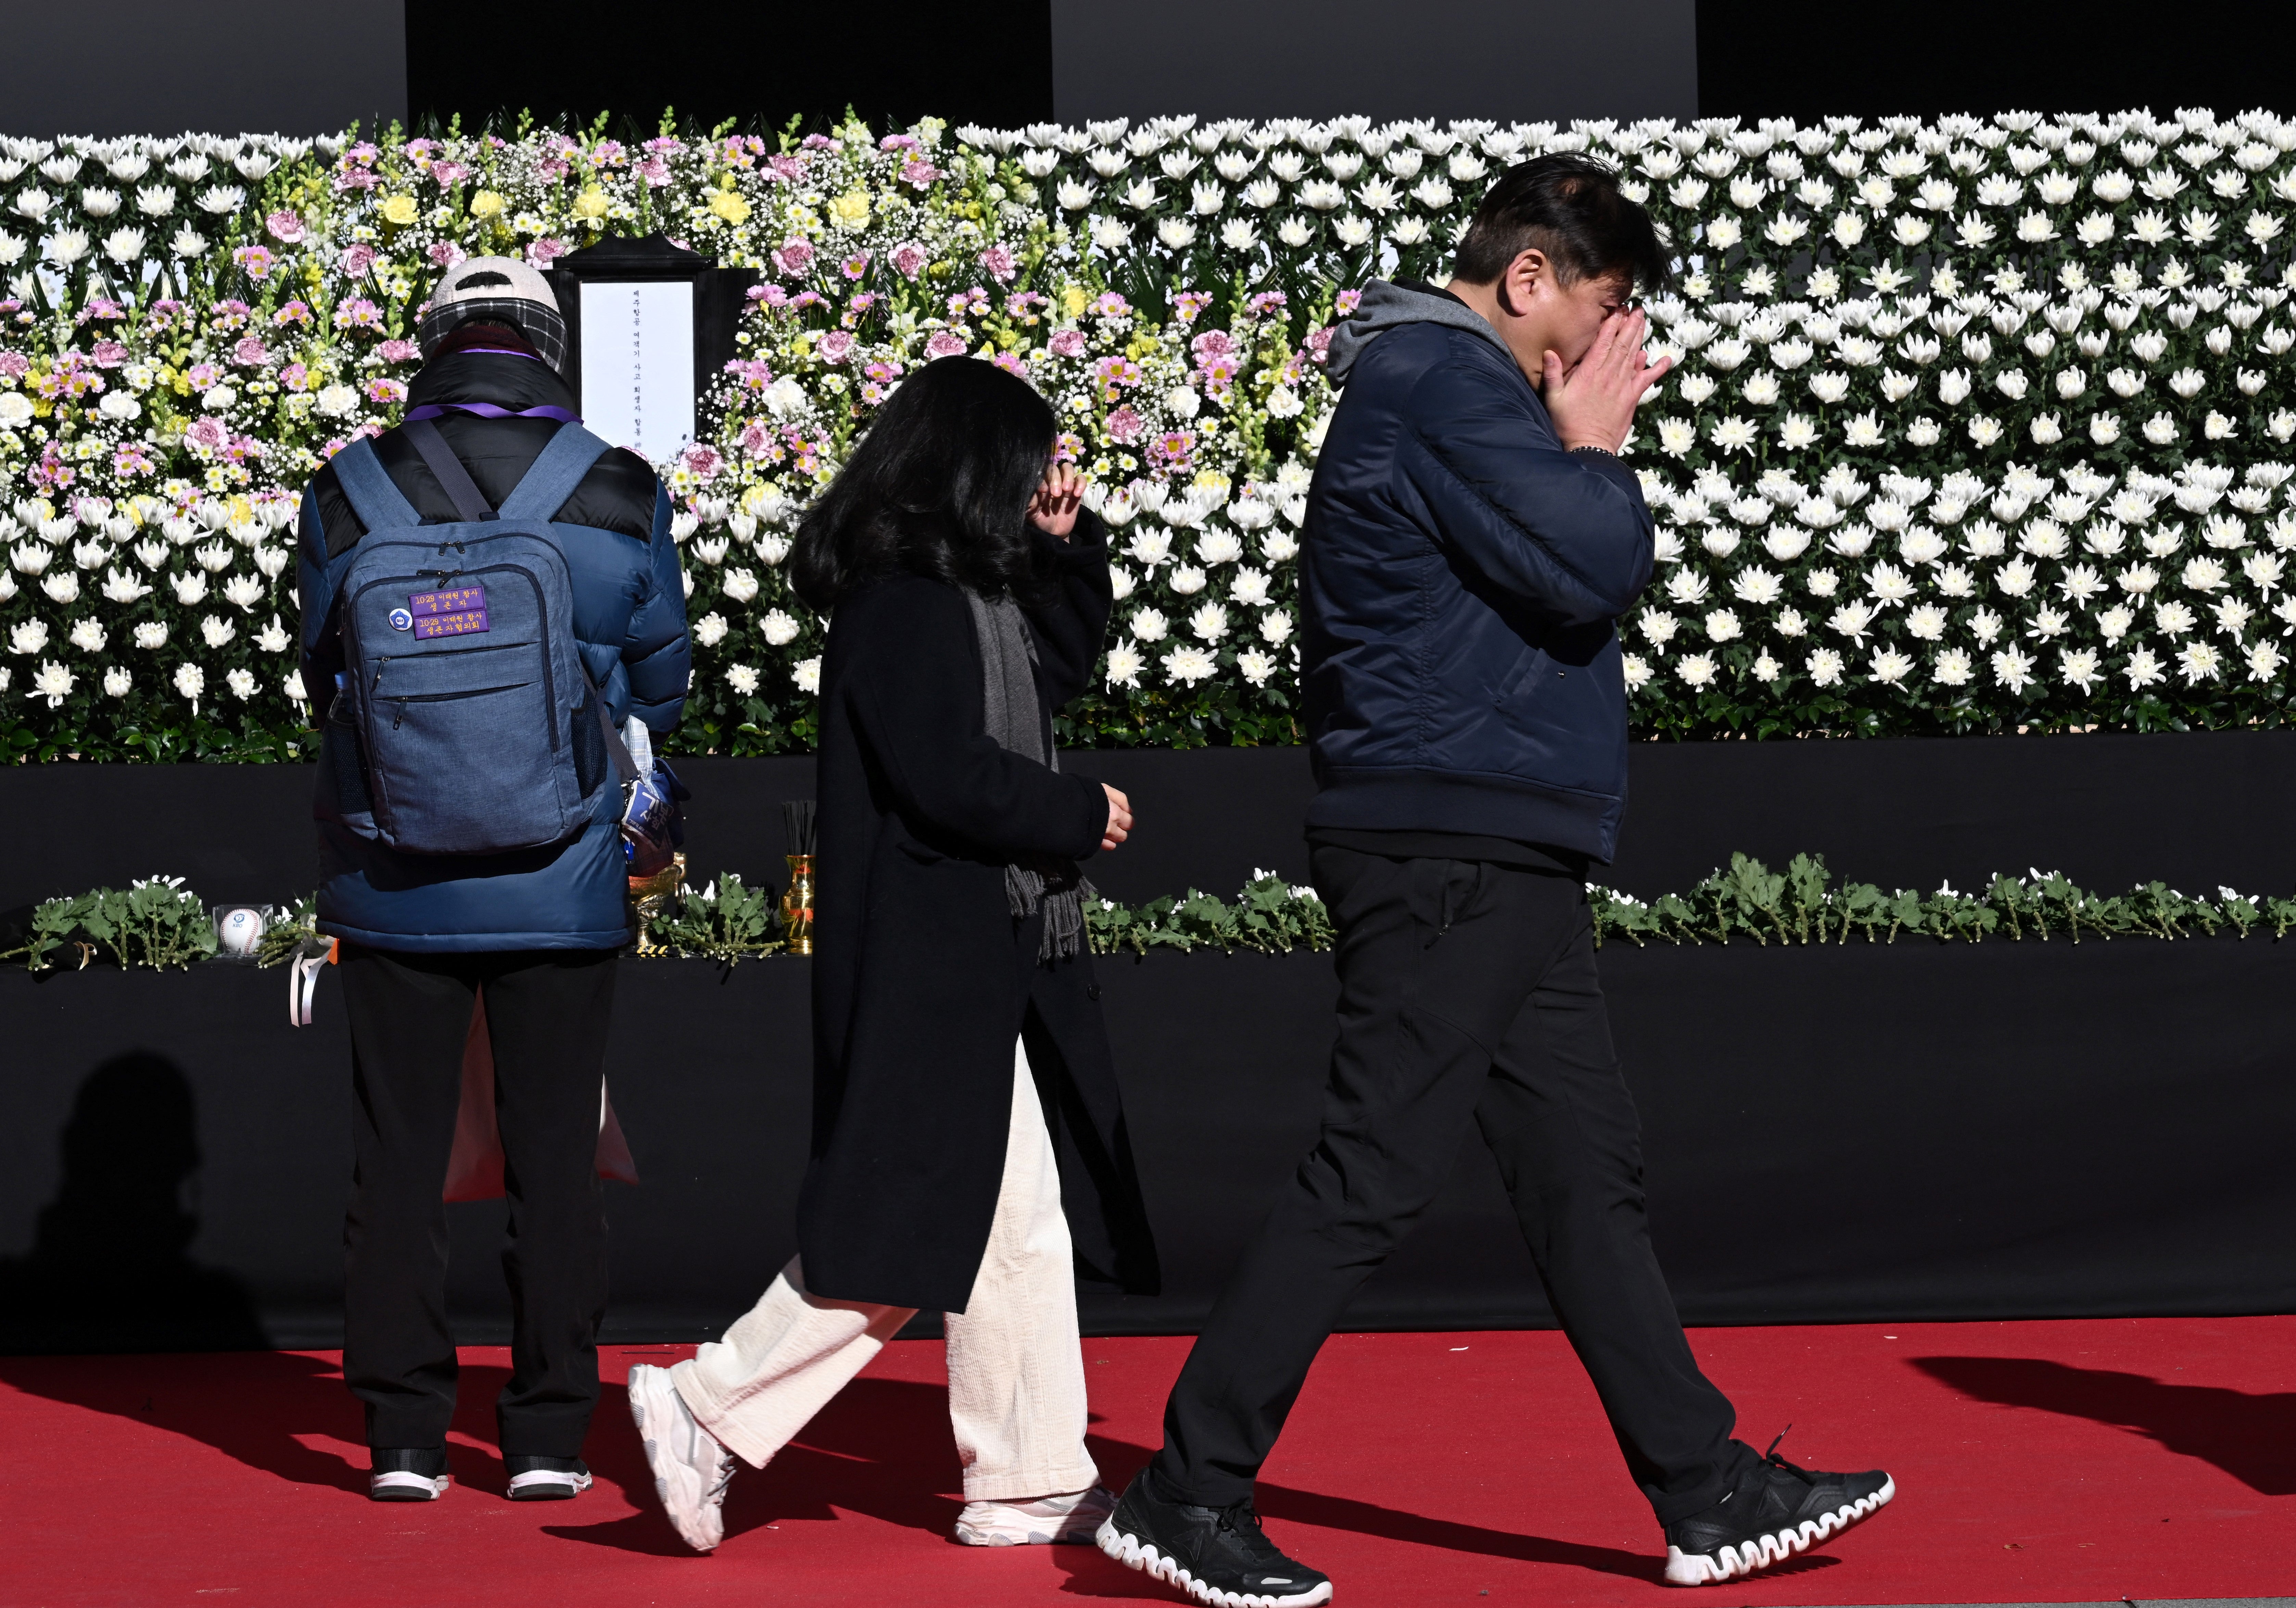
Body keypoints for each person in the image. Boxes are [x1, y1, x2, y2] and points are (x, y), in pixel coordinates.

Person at [1098, 156, 1895, 1604]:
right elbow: (1595, 561)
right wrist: (1589, 446)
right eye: (1600, 308)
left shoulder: (1450, 386)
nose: (1606, 348)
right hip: (1448, 838)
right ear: (1527, 277)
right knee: (1375, 1168)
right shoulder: (1443, 382)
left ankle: (1703, 1483)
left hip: (1492, 836)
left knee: (1585, 1172)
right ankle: (1185, 1488)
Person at [625, 355, 1158, 1553]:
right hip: (932, 956)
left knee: (1010, 1217)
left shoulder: (960, 589)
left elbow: (1046, 676)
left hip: (971, 951)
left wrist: (1068, 551)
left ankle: (1028, 1474)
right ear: (974, 465)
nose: (1041, 485)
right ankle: (709, 1406)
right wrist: (1080, 815)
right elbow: (950, 774)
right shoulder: (907, 599)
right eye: (1028, 467)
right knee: (918, 1217)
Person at [296, 255, 691, 1503]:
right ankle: (546, 1435)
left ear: (432, 349)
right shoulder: (617, 486)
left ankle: (405, 1437)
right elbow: (664, 682)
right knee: (555, 1162)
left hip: (392, 873)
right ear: (543, 347)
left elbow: (321, 671)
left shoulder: (350, 488)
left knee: (398, 1158)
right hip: (563, 875)